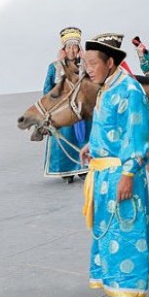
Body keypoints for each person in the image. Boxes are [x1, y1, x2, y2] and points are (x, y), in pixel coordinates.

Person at [81, 32, 149, 297]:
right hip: (103, 174)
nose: (87, 67)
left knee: (124, 233)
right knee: (107, 233)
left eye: (92, 62)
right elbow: (111, 129)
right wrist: (92, 146)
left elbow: (136, 137)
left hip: (121, 176)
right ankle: (115, 285)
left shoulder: (129, 90)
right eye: (85, 62)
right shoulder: (107, 88)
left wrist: (128, 174)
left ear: (110, 62)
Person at [44, 27, 88, 182]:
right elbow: (48, 90)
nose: (71, 50)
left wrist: (84, 63)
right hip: (63, 110)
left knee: (83, 139)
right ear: (63, 49)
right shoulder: (54, 67)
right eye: (68, 47)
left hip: (81, 110)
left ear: (79, 49)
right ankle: (66, 171)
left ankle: (83, 168)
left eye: (75, 46)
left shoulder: (85, 66)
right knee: (65, 138)